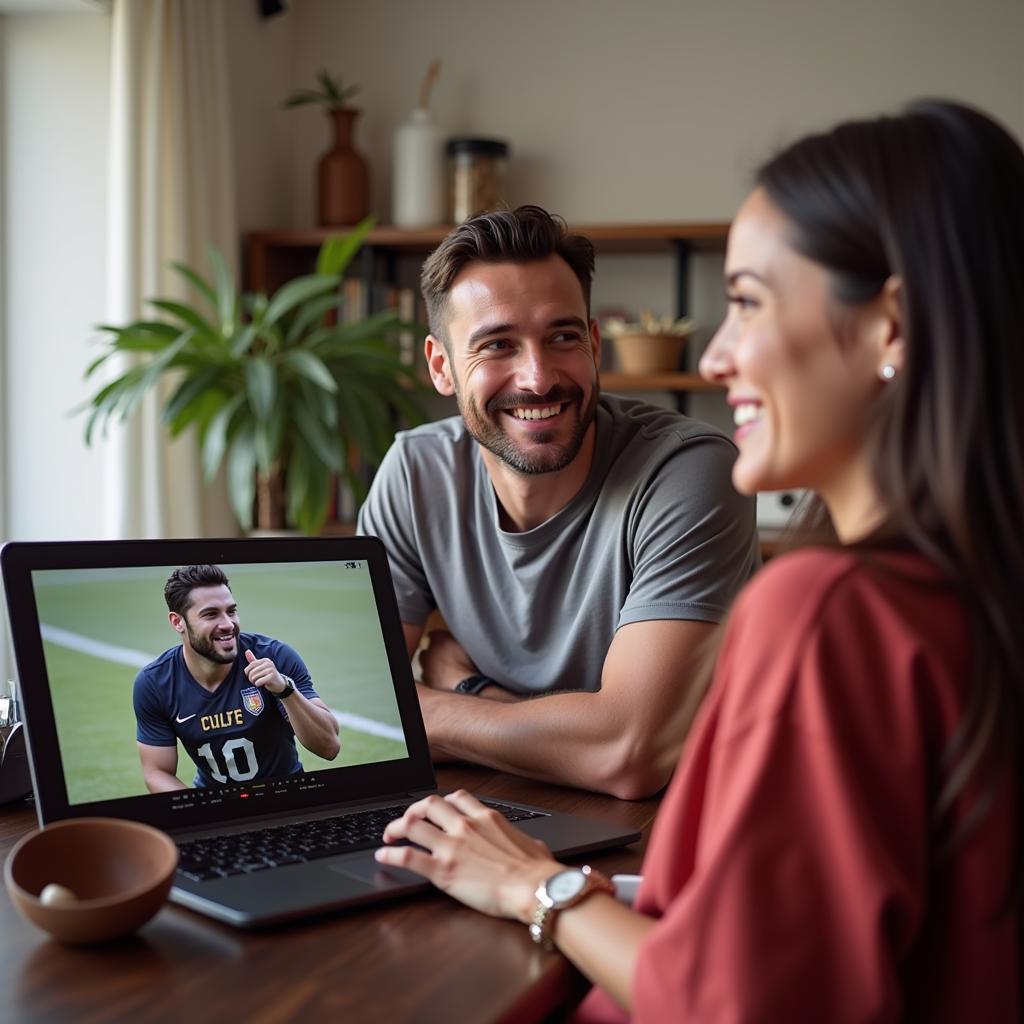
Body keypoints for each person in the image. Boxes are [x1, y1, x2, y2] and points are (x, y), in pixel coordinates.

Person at [374, 100, 1023, 1020]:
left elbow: (733, 999)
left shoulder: (826, 611)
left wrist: (533, 886)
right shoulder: (967, 584)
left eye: (749, 302)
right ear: (443, 366)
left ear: (889, 329)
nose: (715, 356)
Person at [357, 205, 759, 799]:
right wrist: (562, 734)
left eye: (562, 337)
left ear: (594, 345)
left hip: (683, 826)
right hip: (496, 805)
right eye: (497, 345)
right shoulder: (416, 473)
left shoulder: (689, 470)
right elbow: (364, 709)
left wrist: (458, 698)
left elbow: (629, 754)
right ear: (442, 367)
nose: (538, 378)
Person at [133, 565, 340, 791]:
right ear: (177, 622)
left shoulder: (275, 656)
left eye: (231, 611)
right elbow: (157, 772)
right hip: (215, 804)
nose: (228, 624)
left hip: (287, 800)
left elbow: (329, 747)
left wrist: (285, 690)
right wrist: (204, 812)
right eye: (211, 614)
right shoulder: (154, 683)